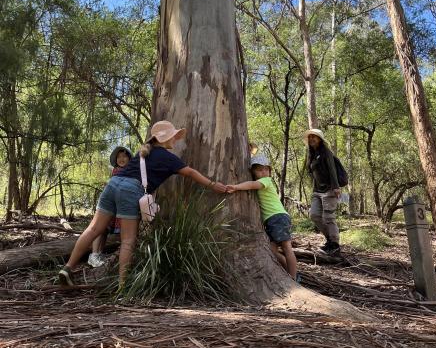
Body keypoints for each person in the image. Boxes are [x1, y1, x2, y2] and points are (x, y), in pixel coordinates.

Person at [58, 121, 227, 287]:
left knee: (93, 229)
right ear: (163, 139)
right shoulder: (168, 158)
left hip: (113, 183)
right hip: (131, 189)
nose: (175, 139)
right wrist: (213, 184)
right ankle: (122, 287)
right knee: (128, 240)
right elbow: (190, 172)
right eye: (173, 136)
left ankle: (68, 268)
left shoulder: (144, 152)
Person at [226, 154, 298, 281]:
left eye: (266, 169)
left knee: (286, 247)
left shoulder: (266, 181)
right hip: (272, 220)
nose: (264, 172)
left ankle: (293, 277)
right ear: (253, 172)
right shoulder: (262, 181)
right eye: (259, 170)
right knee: (271, 251)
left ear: (270, 171)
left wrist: (236, 187)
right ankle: (289, 273)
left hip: (278, 217)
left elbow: (252, 185)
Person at [87, 146, 132, 268]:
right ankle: (94, 254)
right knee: (101, 228)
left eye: (124, 156)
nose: (121, 159)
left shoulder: (132, 171)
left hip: (121, 206)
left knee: (106, 231)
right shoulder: (116, 171)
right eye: (119, 157)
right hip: (110, 204)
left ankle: (99, 254)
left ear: (129, 158)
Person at [304, 128, 341, 256]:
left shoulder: (326, 152)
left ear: (320, 139)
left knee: (328, 218)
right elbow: (311, 173)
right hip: (317, 191)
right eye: (310, 137)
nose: (311, 139)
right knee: (314, 215)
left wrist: (336, 187)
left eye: (314, 137)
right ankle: (330, 240)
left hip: (329, 189)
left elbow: (332, 170)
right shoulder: (311, 154)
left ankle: (335, 245)